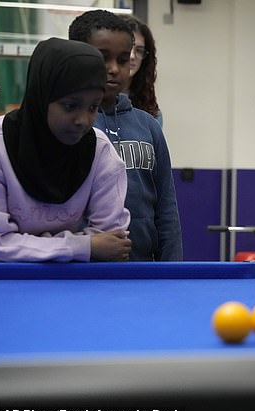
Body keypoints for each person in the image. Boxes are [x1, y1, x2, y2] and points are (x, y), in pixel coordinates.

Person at [0, 37, 131, 262]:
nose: (82, 120)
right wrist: (82, 245)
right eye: (70, 106)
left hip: (73, 287)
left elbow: (112, 242)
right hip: (5, 286)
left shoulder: (100, 151)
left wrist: (28, 245)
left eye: (93, 107)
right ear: (41, 98)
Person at [69, 10, 183, 261]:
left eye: (122, 60)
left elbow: (166, 208)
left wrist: (172, 268)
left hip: (143, 267)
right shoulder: (68, 126)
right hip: (80, 269)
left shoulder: (148, 126)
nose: (113, 69)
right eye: (102, 58)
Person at [120, 14, 163, 126]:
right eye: (128, 47)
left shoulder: (151, 112)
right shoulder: (92, 103)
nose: (132, 56)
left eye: (139, 50)